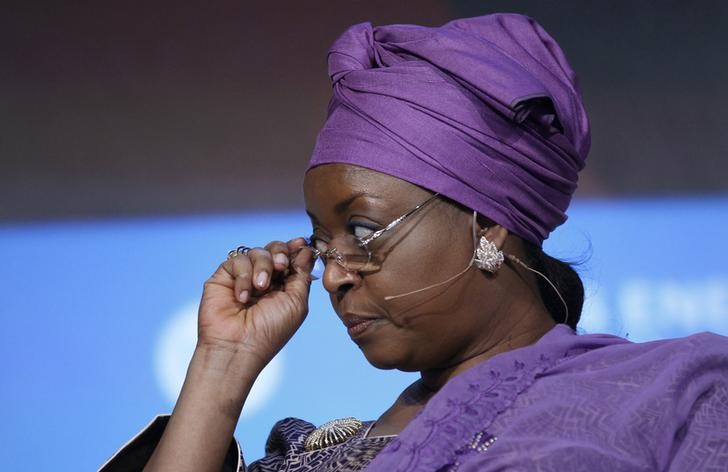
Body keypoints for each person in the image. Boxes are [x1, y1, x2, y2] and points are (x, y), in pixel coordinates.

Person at [100, 13, 728, 472]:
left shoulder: (671, 396)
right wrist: (221, 365)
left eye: (364, 232)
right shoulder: (314, 457)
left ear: (487, 223)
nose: (333, 277)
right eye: (322, 244)